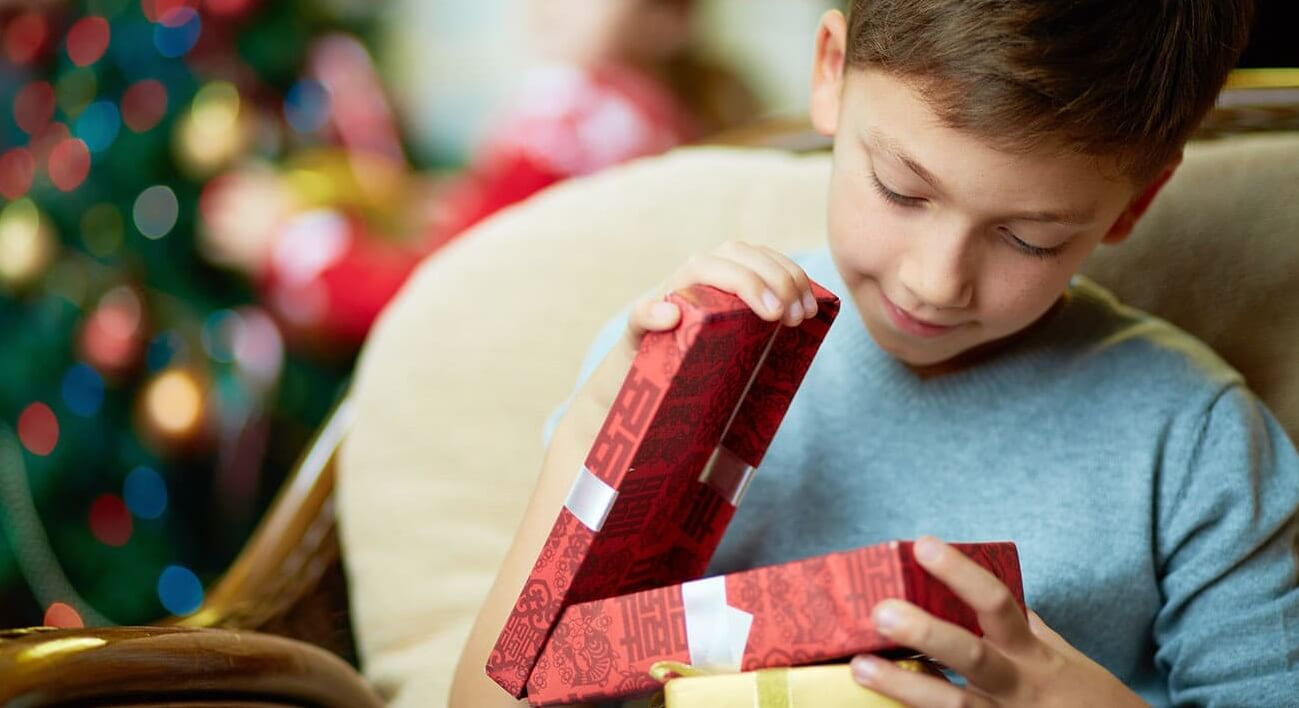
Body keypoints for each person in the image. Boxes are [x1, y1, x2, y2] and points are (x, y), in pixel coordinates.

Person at [452, 1, 1299, 705]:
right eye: (901, 190)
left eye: (1027, 239)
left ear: (1132, 203)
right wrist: (601, 437)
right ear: (830, 71)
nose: (935, 283)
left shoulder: (1195, 441)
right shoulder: (686, 355)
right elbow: (495, 696)